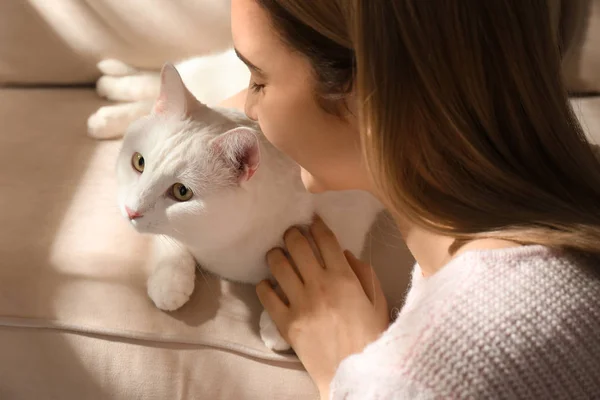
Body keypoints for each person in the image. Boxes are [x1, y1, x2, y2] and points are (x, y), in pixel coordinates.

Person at [222, 0, 600, 398]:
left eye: (259, 80)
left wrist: (351, 380)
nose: (248, 106)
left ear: (366, 94)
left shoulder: (425, 378)